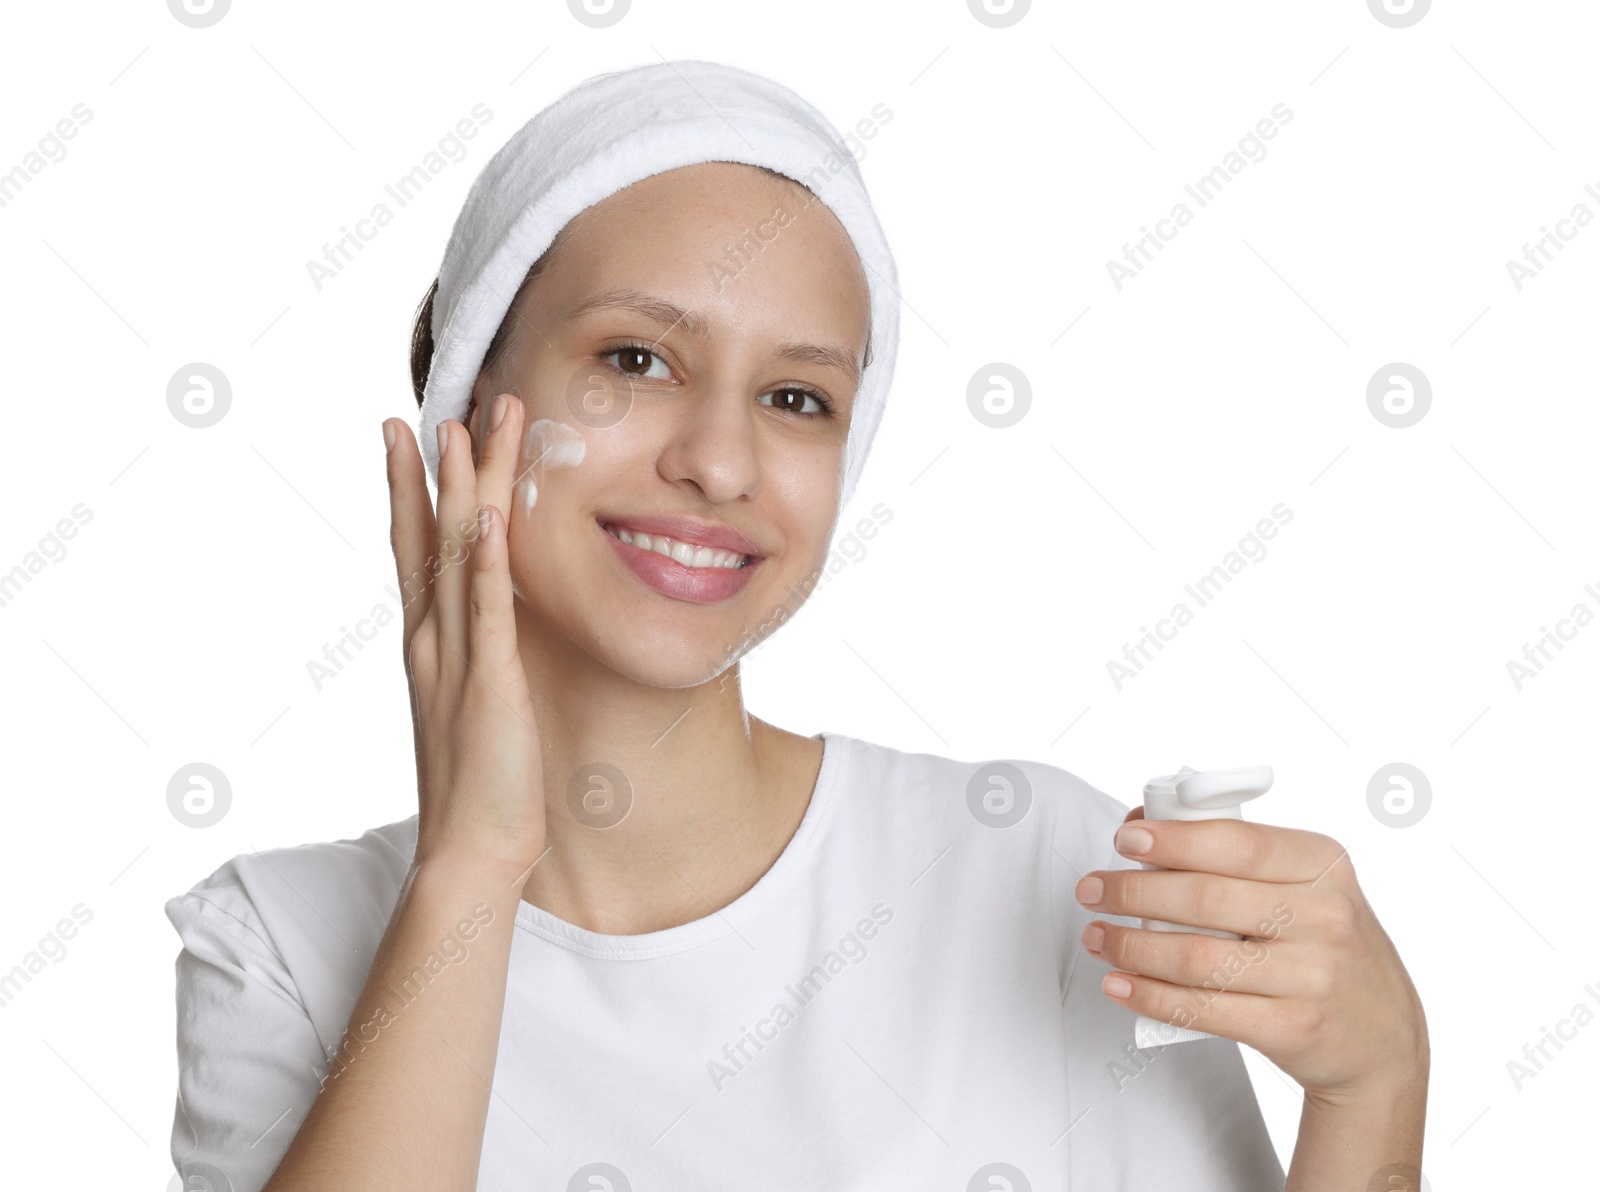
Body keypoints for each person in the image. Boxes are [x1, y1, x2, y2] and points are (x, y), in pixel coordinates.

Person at [164, 59, 1428, 1192]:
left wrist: (1375, 1082)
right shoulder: (279, 948)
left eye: (794, 396)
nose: (720, 462)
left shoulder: (1041, 869)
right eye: (637, 360)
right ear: (469, 396)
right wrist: (474, 868)